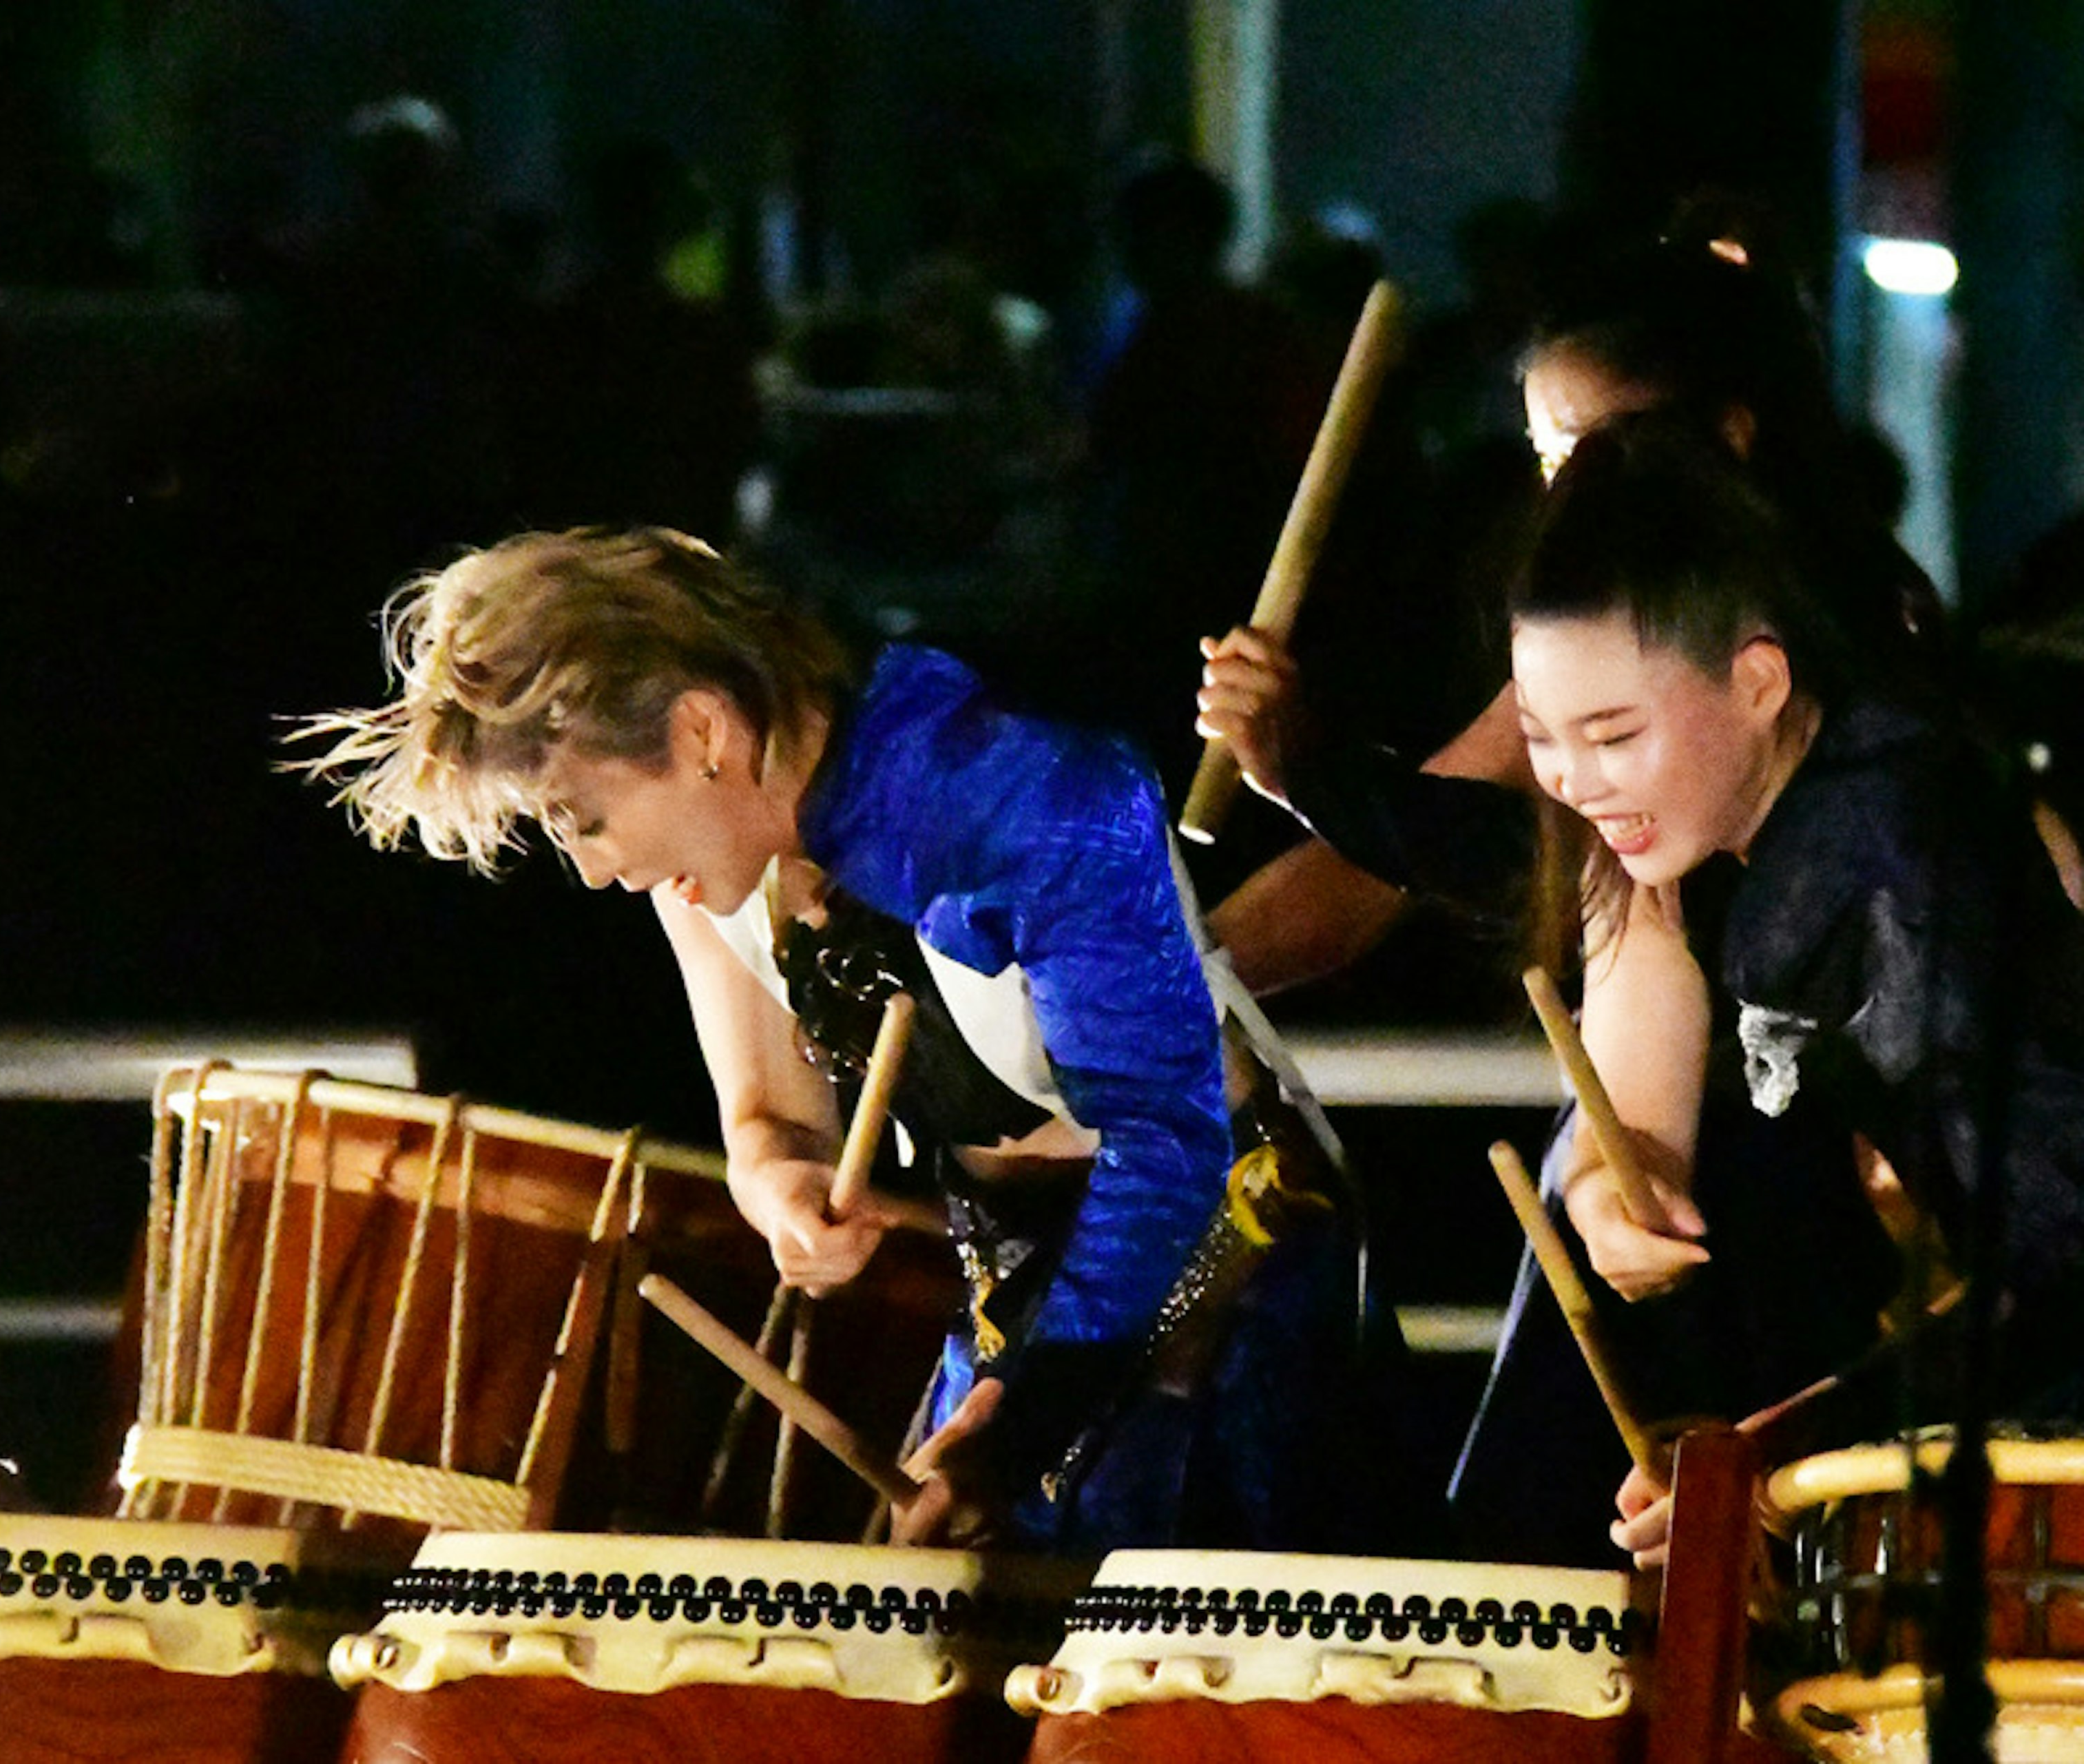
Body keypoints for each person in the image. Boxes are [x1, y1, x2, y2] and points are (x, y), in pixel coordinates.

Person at [287, 524, 1418, 1555]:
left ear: (702, 729)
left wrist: (1028, 1414)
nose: (589, 865)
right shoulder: (708, 860)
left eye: (582, 819)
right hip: (1018, 1290)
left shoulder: (1034, 801)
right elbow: (768, 1120)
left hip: (1223, 1260)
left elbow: (1173, 1145)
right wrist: (782, 1189)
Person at [1196, 226, 1943, 1566]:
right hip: (1770, 1268)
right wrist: (1611, 1185)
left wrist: (1320, 776)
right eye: (1547, 461)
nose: (1575, 789)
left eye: (1616, 734)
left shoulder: (1911, 774)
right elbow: (1615, 965)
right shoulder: (1636, 843)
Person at [1508, 417, 2084, 1566]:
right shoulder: (1842, 796)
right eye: (1542, 739)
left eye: (1614, 733)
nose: (1576, 781)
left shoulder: (1874, 874)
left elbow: (2063, 1270)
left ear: (1760, 678)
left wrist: (1779, 1457)